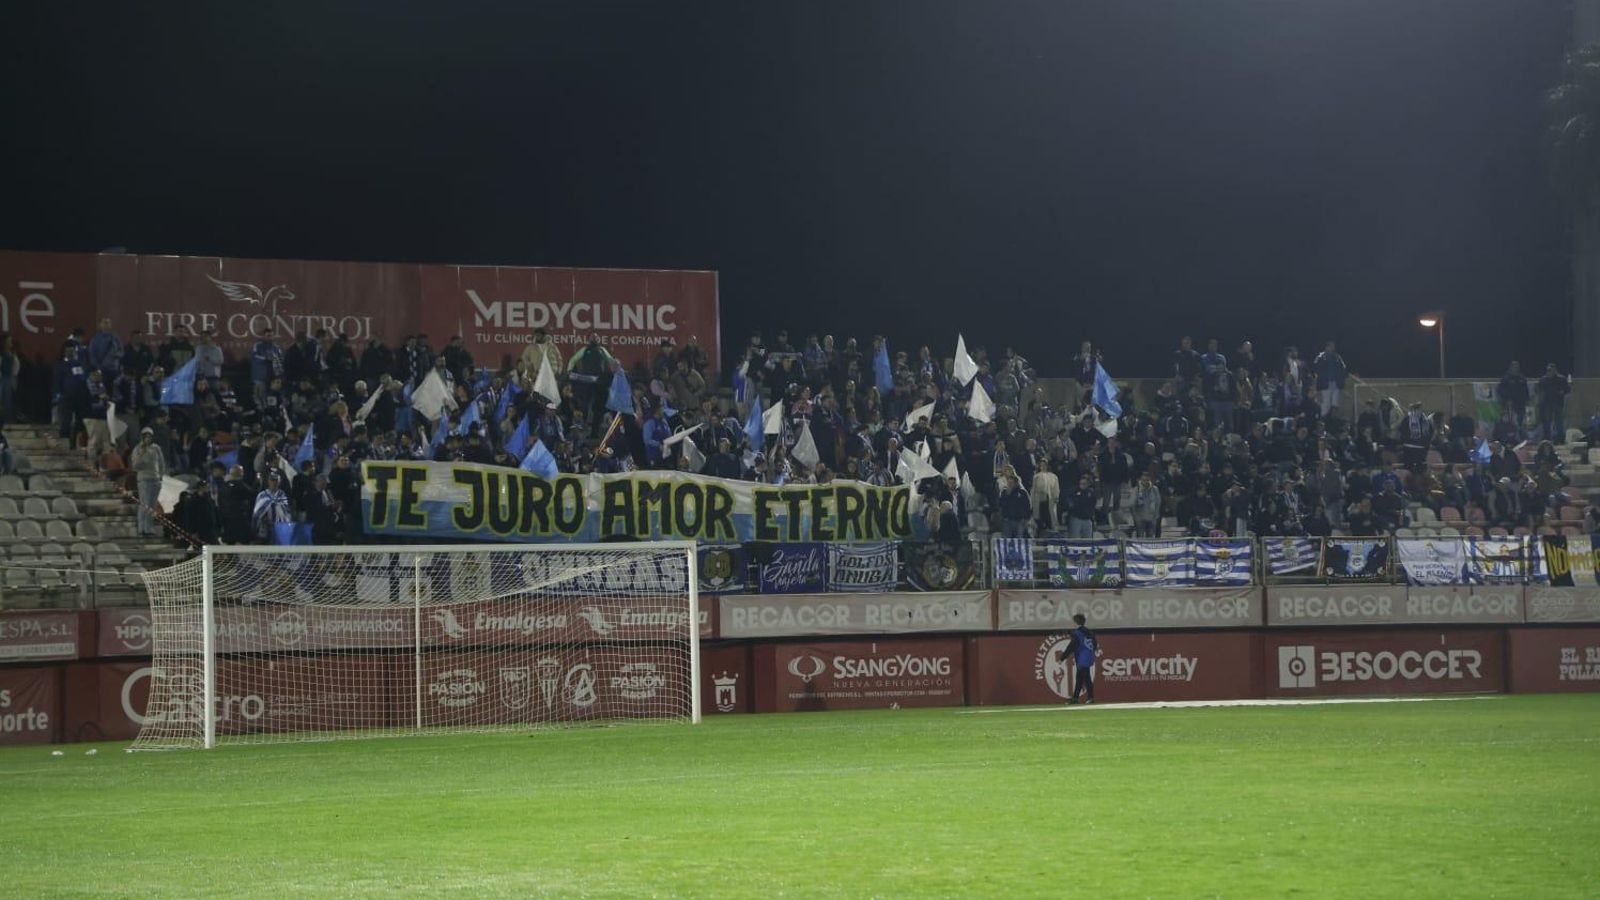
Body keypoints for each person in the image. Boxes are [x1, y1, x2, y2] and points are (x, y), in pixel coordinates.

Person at [129, 427, 167, 537]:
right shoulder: (137, 449)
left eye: (150, 437)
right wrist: (142, 453)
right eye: (146, 437)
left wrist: (161, 475)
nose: (148, 439)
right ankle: (142, 528)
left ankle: (149, 528)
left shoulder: (156, 448)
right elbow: (135, 465)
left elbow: (161, 463)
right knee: (144, 504)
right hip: (144, 480)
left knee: (152, 505)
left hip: (155, 479)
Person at [1057, 613, 1100, 705]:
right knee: (1080, 678)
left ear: (1075, 622)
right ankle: (1076, 698)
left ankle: (1090, 698)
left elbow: (1071, 646)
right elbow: (1095, 644)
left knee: (1086, 678)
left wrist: (1062, 658)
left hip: (1082, 658)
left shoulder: (1076, 633)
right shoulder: (1090, 632)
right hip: (1089, 656)